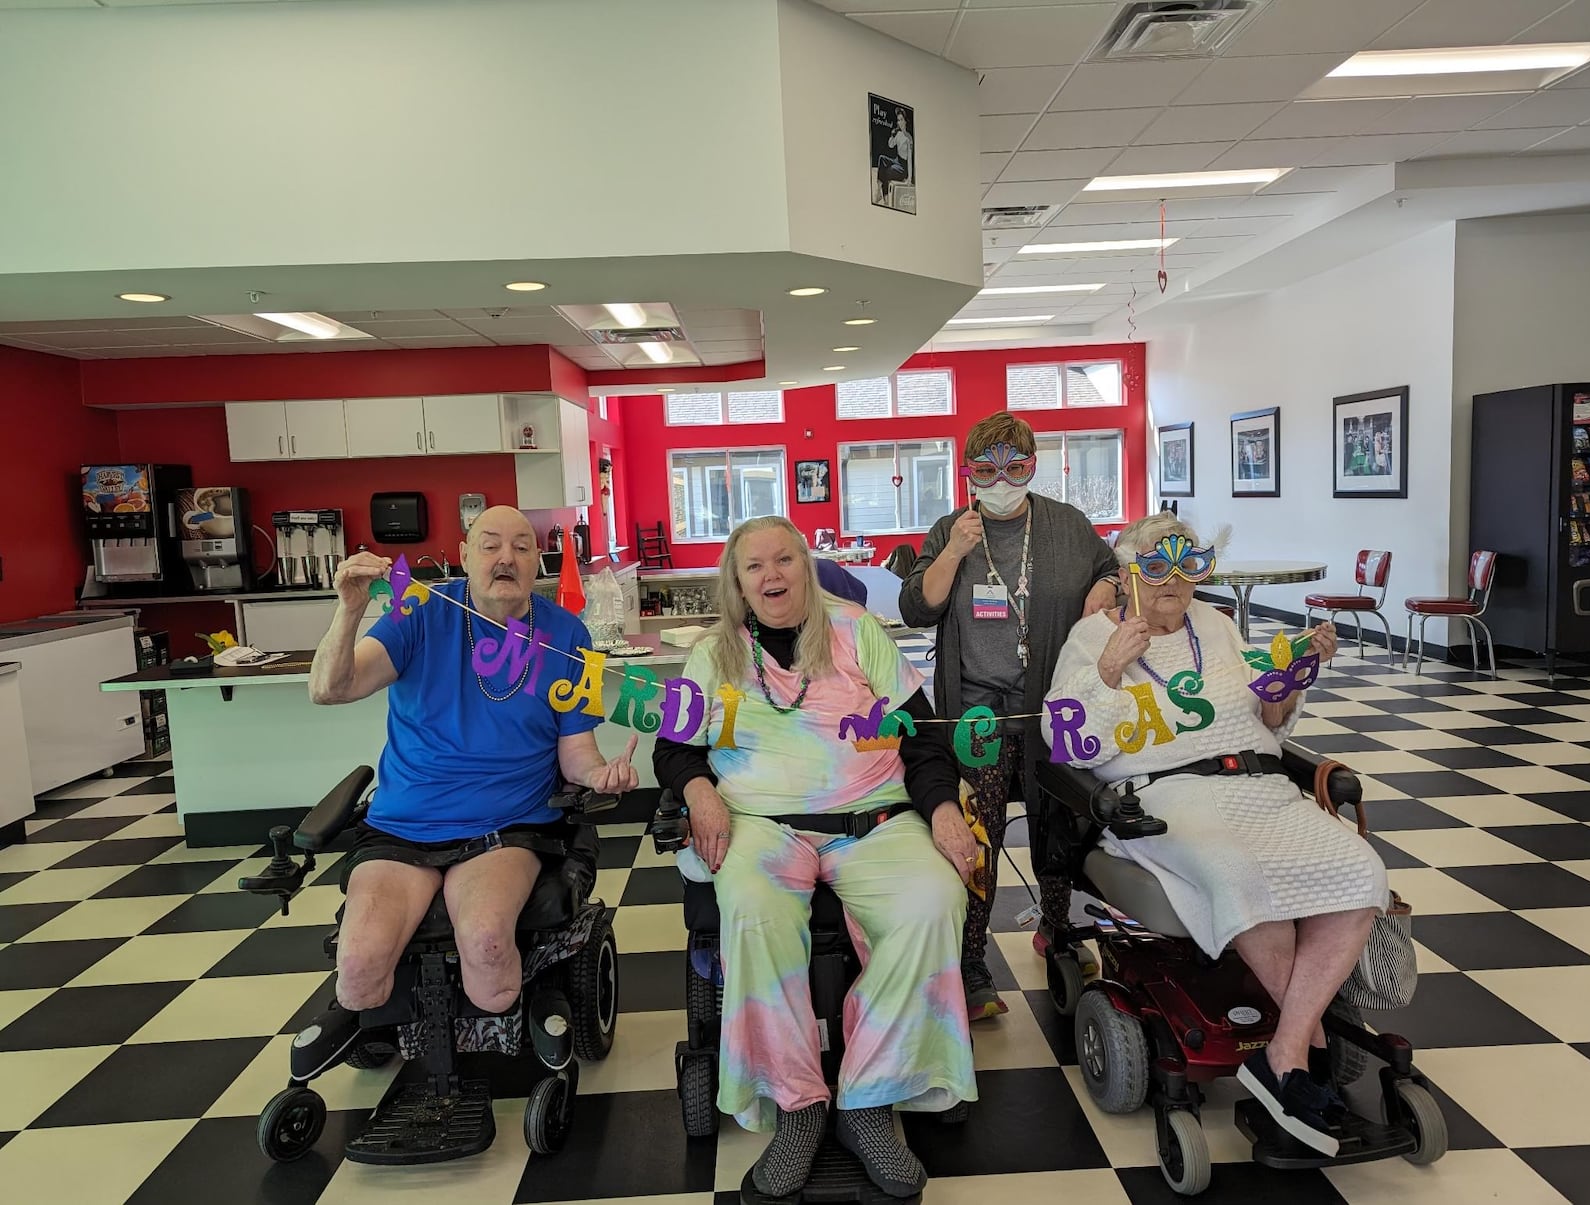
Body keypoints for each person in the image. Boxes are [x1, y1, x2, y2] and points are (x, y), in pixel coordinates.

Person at [1043, 511, 1388, 1156]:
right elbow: (1064, 743)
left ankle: (1284, 1053)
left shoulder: (1221, 625)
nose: (1174, 583)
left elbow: (1270, 721)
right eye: (1157, 568)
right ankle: (1306, 1046)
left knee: (1358, 869)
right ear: (1127, 574)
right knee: (1238, 872)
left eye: (1188, 567)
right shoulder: (1092, 637)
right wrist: (1109, 672)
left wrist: (1290, 680)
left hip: (1259, 785)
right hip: (1164, 796)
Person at [653, 516, 977, 1200]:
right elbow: (673, 747)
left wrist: (944, 806)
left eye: (784, 560)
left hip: (876, 819)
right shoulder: (713, 654)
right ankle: (799, 1106)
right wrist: (698, 788)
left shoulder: (859, 630)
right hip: (762, 824)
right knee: (753, 909)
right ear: (737, 583)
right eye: (754, 567)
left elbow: (920, 738)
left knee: (935, 898)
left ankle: (867, 1098)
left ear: (806, 565)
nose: (771, 576)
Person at [304, 506, 639, 1046]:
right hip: (403, 827)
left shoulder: (568, 636)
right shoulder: (419, 614)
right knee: (359, 974)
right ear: (463, 555)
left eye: (521, 546)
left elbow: (578, 754)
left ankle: (472, 1045)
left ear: (538, 562)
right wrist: (348, 612)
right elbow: (330, 688)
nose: (506, 557)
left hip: (505, 827)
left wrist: (602, 777)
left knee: (488, 954)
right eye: (490, 545)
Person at [899, 413, 1120, 1021]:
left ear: (1032, 468)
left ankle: (1060, 934)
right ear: (968, 472)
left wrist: (1107, 588)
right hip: (977, 716)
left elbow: (1110, 568)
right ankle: (971, 963)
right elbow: (917, 606)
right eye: (986, 469)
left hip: (1052, 712)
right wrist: (955, 551)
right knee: (979, 835)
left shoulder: (1066, 526)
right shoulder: (951, 528)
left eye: (1015, 467)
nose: (1001, 480)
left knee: (1060, 825)